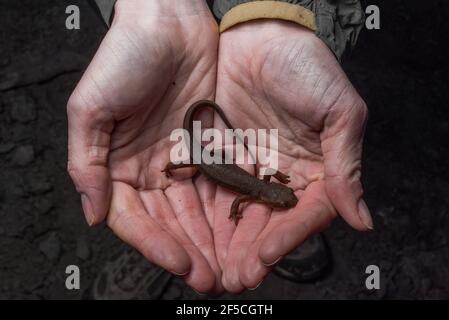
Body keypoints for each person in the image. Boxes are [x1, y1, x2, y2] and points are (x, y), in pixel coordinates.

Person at [67, 0, 372, 295]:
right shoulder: (254, 192)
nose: (282, 199)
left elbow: (257, 186)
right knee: (189, 167)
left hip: (214, 161)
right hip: (205, 162)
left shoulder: (258, 189)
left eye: (283, 200)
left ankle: (273, 238)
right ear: (268, 201)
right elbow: (242, 199)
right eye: (282, 201)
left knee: (210, 171)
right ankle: (173, 174)